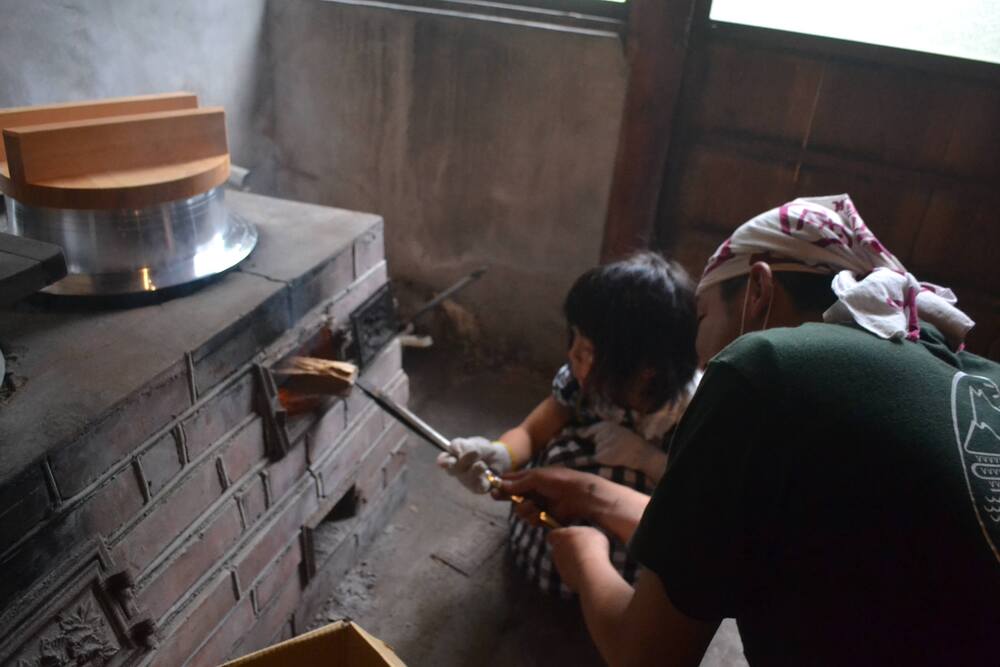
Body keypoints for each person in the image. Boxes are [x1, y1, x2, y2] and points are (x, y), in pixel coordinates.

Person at [501, 194, 1000, 665]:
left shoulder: (761, 367)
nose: (697, 350)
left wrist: (588, 559)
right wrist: (589, 492)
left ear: (758, 290)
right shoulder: (973, 369)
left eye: (702, 317)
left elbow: (646, 655)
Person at [437, 252, 701, 596]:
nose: (572, 355)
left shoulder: (689, 413)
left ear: (646, 368)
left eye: (587, 350)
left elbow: (695, 502)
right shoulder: (583, 385)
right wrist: (498, 453)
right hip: (553, 521)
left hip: (629, 549)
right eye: (573, 338)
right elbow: (533, 432)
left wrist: (646, 460)